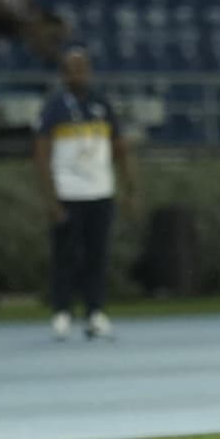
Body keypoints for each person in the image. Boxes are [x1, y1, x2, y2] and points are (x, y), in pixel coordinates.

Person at [32, 47, 137, 340]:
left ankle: (95, 312)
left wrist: (129, 186)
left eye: (82, 68)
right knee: (65, 256)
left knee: (97, 255)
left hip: (100, 191)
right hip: (68, 192)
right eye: (72, 69)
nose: (78, 74)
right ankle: (62, 312)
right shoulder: (54, 107)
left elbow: (120, 147)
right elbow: (41, 154)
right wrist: (50, 197)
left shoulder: (102, 103)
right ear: (63, 74)